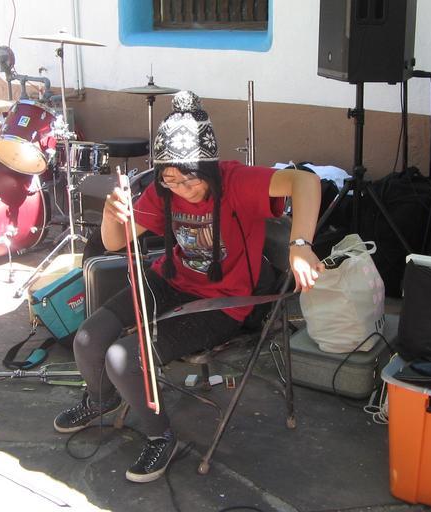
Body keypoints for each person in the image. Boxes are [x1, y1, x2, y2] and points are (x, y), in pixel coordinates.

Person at [54, 91, 324, 483]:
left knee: (123, 359)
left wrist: (300, 245)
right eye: (171, 179)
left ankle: (160, 436)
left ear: (208, 167)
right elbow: (114, 243)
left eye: (191, 177)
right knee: (88, 339)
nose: (182, 188)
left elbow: (306, 181)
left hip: (224, 302)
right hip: (170, 280)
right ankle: (101, 399)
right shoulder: (164, 189)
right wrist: (112, 216)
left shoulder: (236, 181)